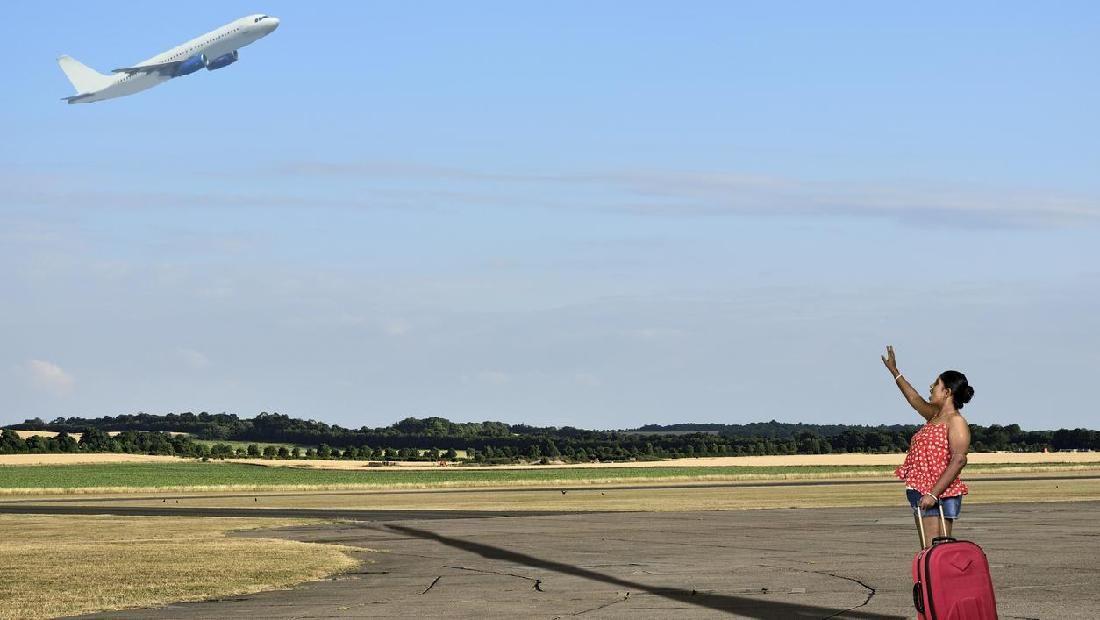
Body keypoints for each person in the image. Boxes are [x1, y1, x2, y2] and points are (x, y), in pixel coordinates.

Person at [881, 345, 973, 547]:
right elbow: (913, 398)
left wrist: (933, 494)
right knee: (930, 548)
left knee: (936, 548)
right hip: (923, 488)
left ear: (947, 392)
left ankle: (936, 580)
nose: (930, 388)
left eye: (936, 385)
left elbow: (958, 460)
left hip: (937, 491)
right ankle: (930, 579)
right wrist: (895, 372)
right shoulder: (934, 416)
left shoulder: (956, 422)